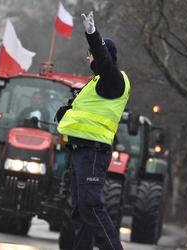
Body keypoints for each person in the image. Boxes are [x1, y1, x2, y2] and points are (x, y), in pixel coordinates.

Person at [56, 11, 130, 250]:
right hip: (81, 151)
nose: (88, 59)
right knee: (80, 210)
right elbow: (86, 114)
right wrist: (66, 113)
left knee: (90, 205)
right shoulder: (97, 83)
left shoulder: (113, 79)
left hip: (93, 152)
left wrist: (92, 35)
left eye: (90, 54)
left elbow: (104, 59)